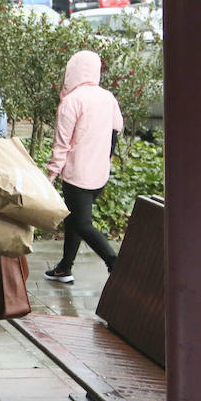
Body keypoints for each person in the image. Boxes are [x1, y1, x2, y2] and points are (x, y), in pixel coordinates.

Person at [43, 50, 125, 283]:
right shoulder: (107, 97)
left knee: (81, 223)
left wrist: (51, 174)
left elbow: (62, 144)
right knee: (74, 219)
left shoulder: (72, 101)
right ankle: (64, 268)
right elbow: (116, 128)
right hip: (100, 173)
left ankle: (114, 263)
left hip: (77, 174)